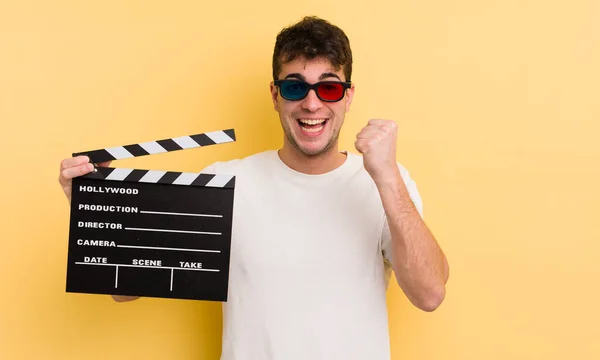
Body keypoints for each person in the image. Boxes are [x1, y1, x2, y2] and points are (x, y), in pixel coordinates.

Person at [58, 16, 449, 360]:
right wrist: (95, 207)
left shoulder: (387, 183)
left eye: (328, 88)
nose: (312, 104)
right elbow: (125, 289)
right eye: (295, 88)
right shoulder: (227, 184)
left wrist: (387, 177)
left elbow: (430, 293)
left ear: (348, 97)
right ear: (275, 95)